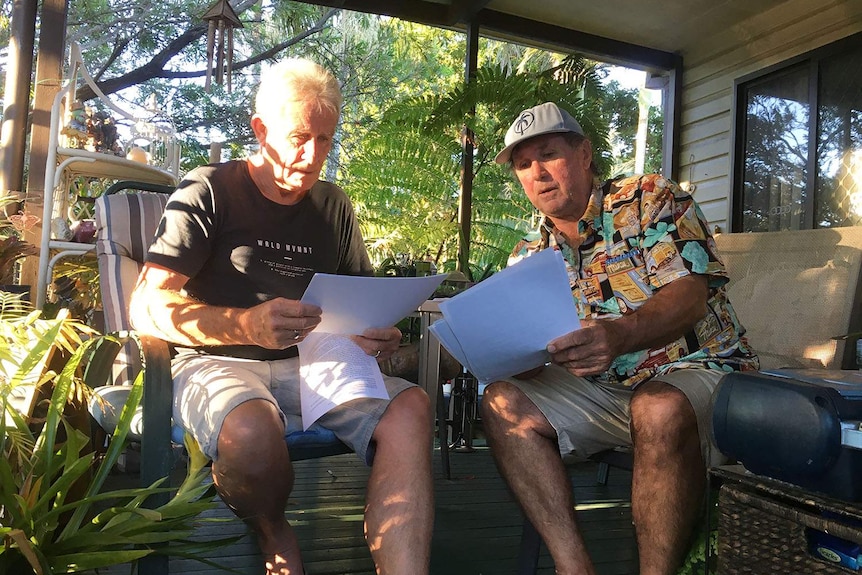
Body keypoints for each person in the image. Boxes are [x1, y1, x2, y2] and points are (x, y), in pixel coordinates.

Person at [128, 58, 434, 575]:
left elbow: (357, 300)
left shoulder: (333, 205)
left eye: (325, 140)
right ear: (260, 130)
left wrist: (378, 333)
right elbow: (145, 304)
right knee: (250, 430)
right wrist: (243, 325)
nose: (313, 155)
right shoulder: (207, 191)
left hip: (316, 361)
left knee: (412, 408)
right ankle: (271, 526)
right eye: (299, 137)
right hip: (214, 359)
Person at [482, 102, 759, 575]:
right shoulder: (529, 255)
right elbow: (529, 349)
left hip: (703, 373)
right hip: (608, 392)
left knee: (657, 406)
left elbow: (690, 293)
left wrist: (619, 333)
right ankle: (574, 568)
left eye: (548, 154)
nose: (537, 173)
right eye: (524, 165)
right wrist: (512, 358)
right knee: (501, 401)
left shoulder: (649, 197)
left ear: (585, 153)